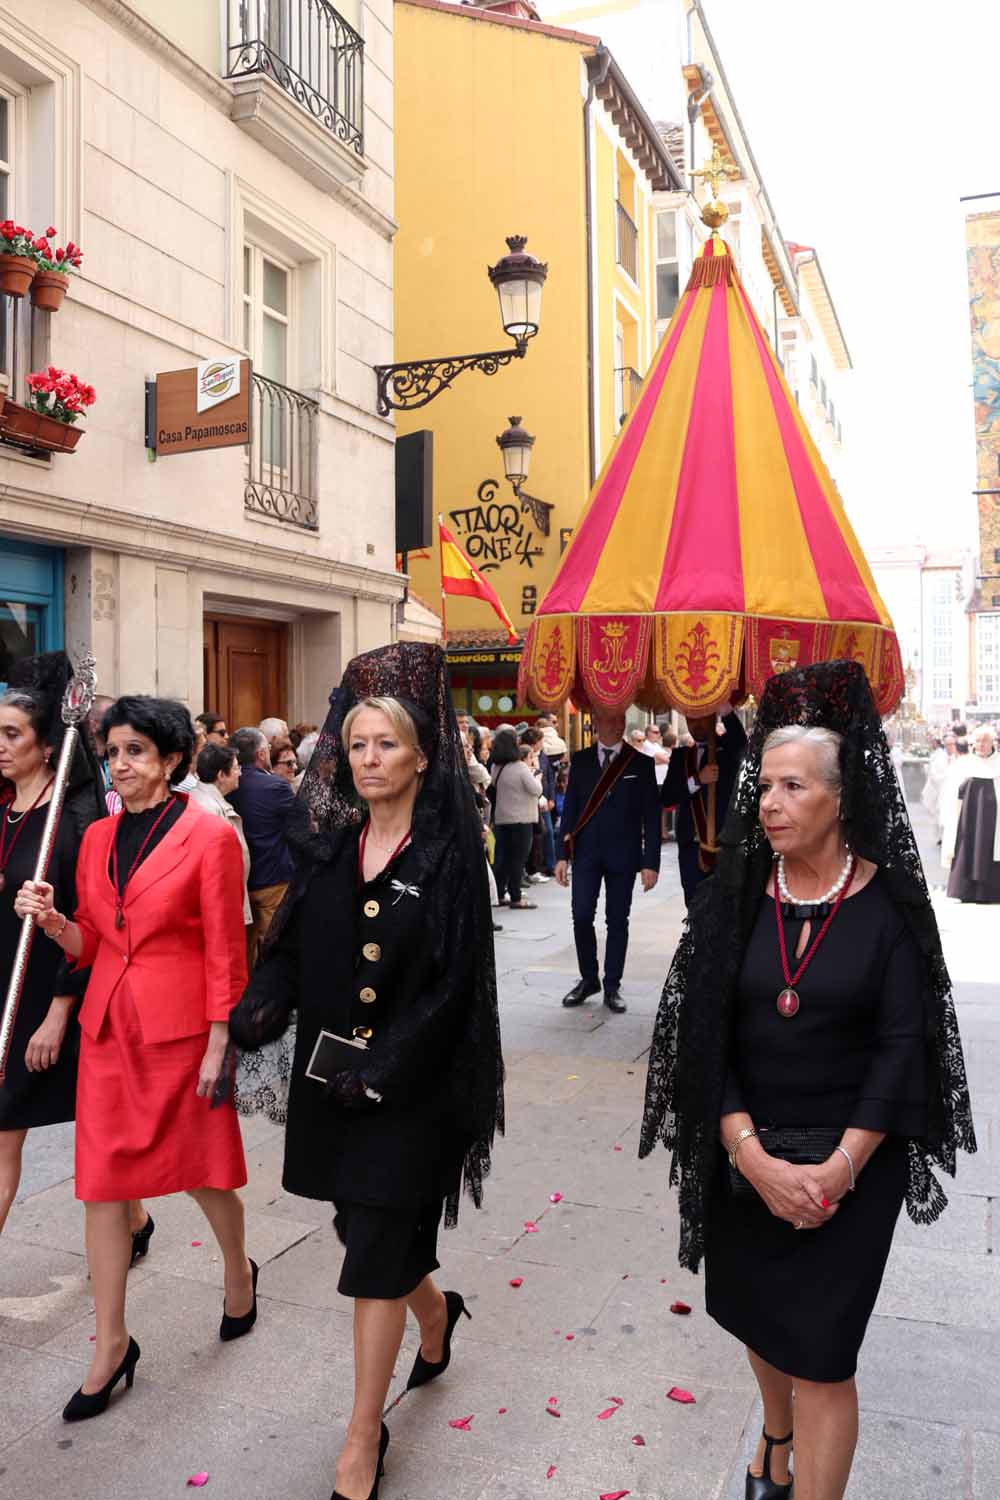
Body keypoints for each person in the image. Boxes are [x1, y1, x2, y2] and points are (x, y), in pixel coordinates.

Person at [640, 660, 976, 1500]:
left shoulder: (891, 908)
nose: (770, 802)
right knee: (761, 1316)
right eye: (766, 785)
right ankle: (775, 1432)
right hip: (746, 1147)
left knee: (825, 1355)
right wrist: (748, 1155)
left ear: (842, 796)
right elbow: (698, 1041)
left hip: (851, 1168)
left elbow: (905, 1050)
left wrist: (841, 1167)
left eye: (794, 786)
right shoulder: (735, 898)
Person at [228, 642, 504, 1500]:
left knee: (376, 1245)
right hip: (328, 1082)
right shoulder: (329, 845)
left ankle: (360, 1435)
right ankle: (436, 1315)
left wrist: (385, 1063)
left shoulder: (453, 858)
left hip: (412, 1090)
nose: (370, 760)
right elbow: (286, 946)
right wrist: (263, 1000)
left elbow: (455, 989)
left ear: (425, 755)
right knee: (364, 1231)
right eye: (356, 746)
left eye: (387, 744)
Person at [16, 696, 256, 1422]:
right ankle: (111, 1344)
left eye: (137, 752)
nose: (121, 765)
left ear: (174, 759)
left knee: (201, 1175)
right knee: (102, 1186)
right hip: (108, 1031)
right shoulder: (94, 839)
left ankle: (239, 1272)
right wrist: (54, 920)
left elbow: (226, 947)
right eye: (113, 752)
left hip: (183, 1034)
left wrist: (221, 1038)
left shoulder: (210, 837)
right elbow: (93, 941)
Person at [0, 655, 105, 1235]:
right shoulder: (2, 811)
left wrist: (58, 1014)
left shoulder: (73, 826)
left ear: (47, 747)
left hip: (41, 995)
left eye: (13, 734)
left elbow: (90, 928)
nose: (1, 745)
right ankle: (135, 1219)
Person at [555, 708, 661, 1014]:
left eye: (619, 720)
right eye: (608, 720)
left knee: (617, 921)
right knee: (581, 914)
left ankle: (612, 984)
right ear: (595, 723)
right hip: (586, 853)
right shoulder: (581, 760)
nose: (614, 725)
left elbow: (652, 818)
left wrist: (650, 862)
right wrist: (562, 855)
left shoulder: (640, 762)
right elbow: (571, 809)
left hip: (624, 855)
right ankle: (589, 978)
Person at [660, 704, 747, 906]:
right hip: (691, 848)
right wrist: (697, 780)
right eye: (691, 720)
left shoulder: (728, 748)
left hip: (725, 847)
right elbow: (667, 797)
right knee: (694, 907)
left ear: (713, 718)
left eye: (702, 718)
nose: (696, 725)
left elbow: (742, 743)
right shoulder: (681, 756)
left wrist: (724, 707)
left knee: (726, 911)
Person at [229, 726, 296, 968]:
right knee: (275, 946)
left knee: (244, 951)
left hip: (240, 881)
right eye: (267, 749)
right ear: (260, 754)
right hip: (274, 878)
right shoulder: (275, 787)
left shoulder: (226, 785)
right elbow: (302, 823)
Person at [190, 742, 253, 926]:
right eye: (235, 768)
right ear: (221, 775)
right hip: (220, 909)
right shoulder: (209, 810)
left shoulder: (206, 801)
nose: (240, 773)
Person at [946, 725, 1000, 902]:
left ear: (993, 742)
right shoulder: (964, 764)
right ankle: (965, 891)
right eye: (978, 740)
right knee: (965, 847)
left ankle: (991, 892)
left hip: (994, 820)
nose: (981, 744)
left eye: (985, 740)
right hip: (967, 818)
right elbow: (951, 791)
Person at [490, 727, 542, 909]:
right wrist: (538, 778)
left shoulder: (496, 767)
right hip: (521, 819)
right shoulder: (520, 767)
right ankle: (516, 897)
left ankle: (500, 893)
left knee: (503, 857)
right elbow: (536, 790)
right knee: (518, 858)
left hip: (502, 818)